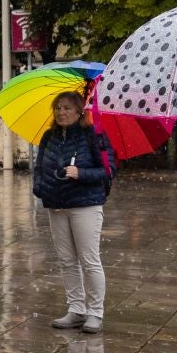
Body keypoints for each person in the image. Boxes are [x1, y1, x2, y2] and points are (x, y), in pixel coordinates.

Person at [33, 91, 115, 333]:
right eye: (57, 108)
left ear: (80, 111)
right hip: (56, 205)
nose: (61, 112)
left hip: (85, 204)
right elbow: (39, 168)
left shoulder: (94, 136)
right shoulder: (49, 137)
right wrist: (40, 188)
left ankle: (95, 313)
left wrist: (81, 174)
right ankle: (76, 309)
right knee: (67, 261)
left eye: (67, 108)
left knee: (89, 260)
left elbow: (108, 171)